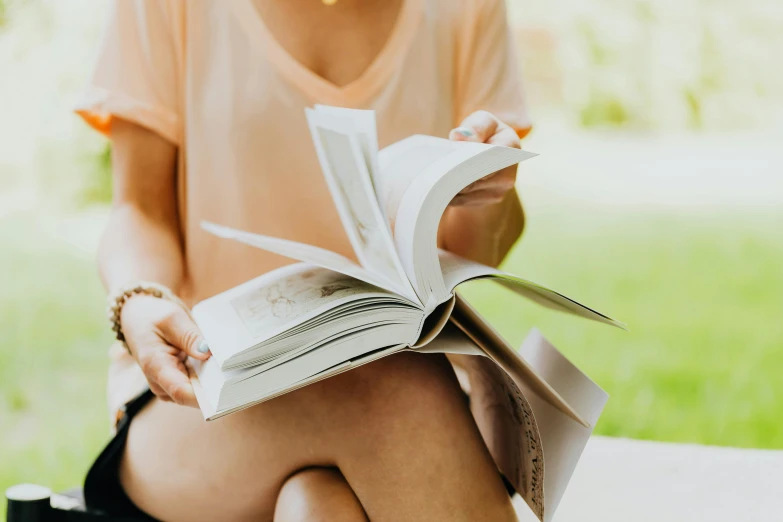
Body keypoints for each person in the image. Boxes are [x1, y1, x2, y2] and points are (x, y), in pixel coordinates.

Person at [75, 0, 532, 520]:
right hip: (202, 388)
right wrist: (139, 296)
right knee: (390, 380)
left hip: (418, 411)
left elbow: (468, 252)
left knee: (318, 507)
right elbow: (138, 206)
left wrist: (486, 191)